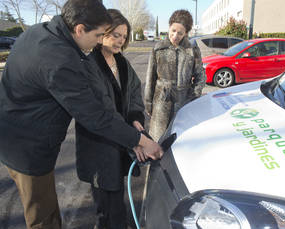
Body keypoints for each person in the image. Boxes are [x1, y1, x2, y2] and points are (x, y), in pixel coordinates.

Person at [0, 0, 163, 228]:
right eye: (98, 35)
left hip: (15, 132)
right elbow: (96, 116)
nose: (99, 41)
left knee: (46, 210)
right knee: (43, 217)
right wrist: (140, 141)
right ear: (79, 29)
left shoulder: (42, 32)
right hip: (27, 147)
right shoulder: (60, 60)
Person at [75, 9, 145, 229]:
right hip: (99, 144)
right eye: (115, 34)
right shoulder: (89, 65)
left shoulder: (122, 64)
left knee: (116, 196)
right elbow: (103, 110)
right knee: (108, 204)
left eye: (123, 37)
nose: (120, 41)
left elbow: (135, 91)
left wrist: (135, 117)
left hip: (120, 139)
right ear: (103, 32)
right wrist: (136, 139)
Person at [144, 9, 205, 141]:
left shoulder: (192, 50)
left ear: (186, 33)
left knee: (180, 137)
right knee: (157, 138)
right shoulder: (159, 48)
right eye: (173, 31)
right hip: (161, 100)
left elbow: (200, 76)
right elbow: (150, 78)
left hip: (183, 101)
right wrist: (148, 103)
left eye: (180, 33)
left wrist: (192, 97)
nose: (175, 35)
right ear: (169, 27)